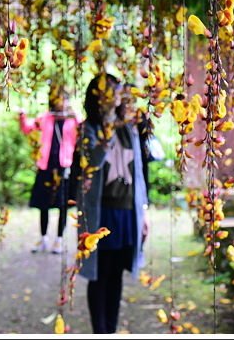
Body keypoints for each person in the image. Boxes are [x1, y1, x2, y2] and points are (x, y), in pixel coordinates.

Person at [78, 73, 150, 334]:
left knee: (117, 273)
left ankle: (111, 329)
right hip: (101, 214)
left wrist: (144, 212)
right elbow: (92, 164)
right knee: (100, 274)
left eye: (118, 93)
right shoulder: (88, 129)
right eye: (111, 93)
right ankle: (100, 331)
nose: (117, 97)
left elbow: (141, 174)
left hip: (127, 213)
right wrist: (106, 132)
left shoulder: (129, 129)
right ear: (99, 97)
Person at [19, 86, 77, 254]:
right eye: (57, 99)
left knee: (63, 204)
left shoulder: (74, 119)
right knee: (43, 203)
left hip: (64, 166)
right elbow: (28, 128)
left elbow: (85, 132)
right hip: (46, 165)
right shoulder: (46, 118)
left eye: (63, 98)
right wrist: (22, 116)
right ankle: (43, 238)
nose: (61, 102)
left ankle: (59, 239)